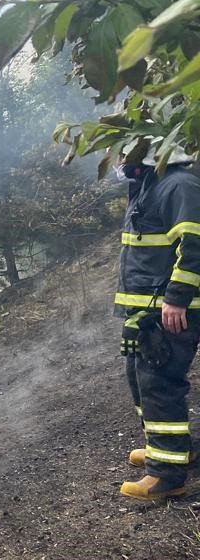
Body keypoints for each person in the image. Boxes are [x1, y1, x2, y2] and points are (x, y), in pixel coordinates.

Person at [116, 158, 200, 501]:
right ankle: (170, 449)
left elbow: (195, 245)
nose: (121, 159)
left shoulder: (178, 185)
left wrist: (177, 298)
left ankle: (167, 475)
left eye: (126, 151)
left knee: (159, 383)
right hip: (148, 310)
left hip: (172, 311)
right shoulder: (150, 183)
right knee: (140, 379)